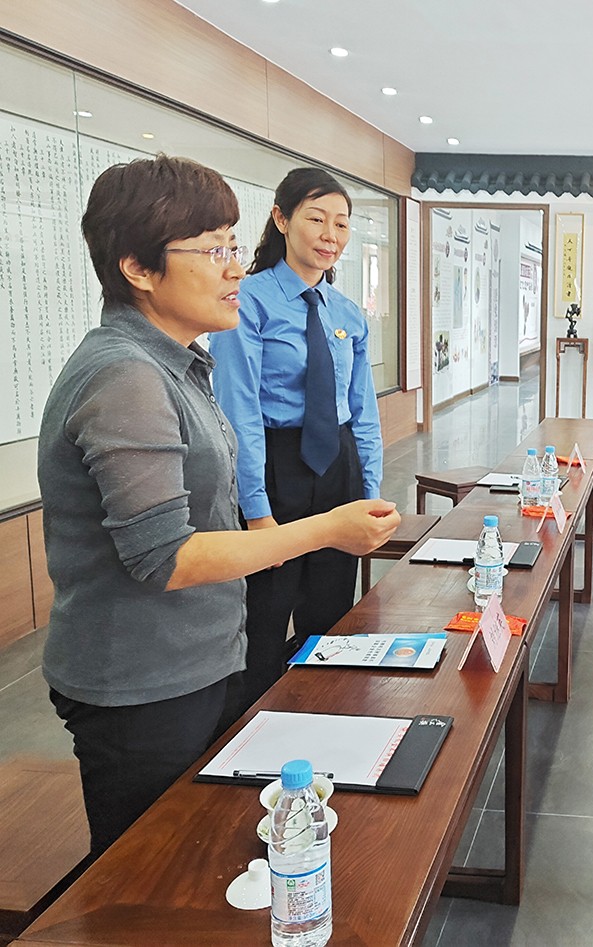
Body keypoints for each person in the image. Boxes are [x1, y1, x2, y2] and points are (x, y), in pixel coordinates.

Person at [38, 155, 400, 856]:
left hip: (195, 661)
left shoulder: (176, 362)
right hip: (142, 679)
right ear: (138, 268)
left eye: (233, 246)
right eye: (213, 251)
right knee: (151, 869)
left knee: (202, 852)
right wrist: (321, 528)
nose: (236, 268)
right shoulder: (126, 377)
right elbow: (167, 556)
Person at [210, 167, 384, 718]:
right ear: (282, 220)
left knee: (331, 613)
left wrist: (370, 493)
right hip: (275, 463)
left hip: (338, 465)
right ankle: (252, 731)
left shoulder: (347, 313)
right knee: (265, 616)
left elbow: (363, 412)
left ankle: (324, 717)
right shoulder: (247, 302)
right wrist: (257, 510)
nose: (331, 235)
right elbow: (239, 411)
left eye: (342, 223)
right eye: (316, 219)